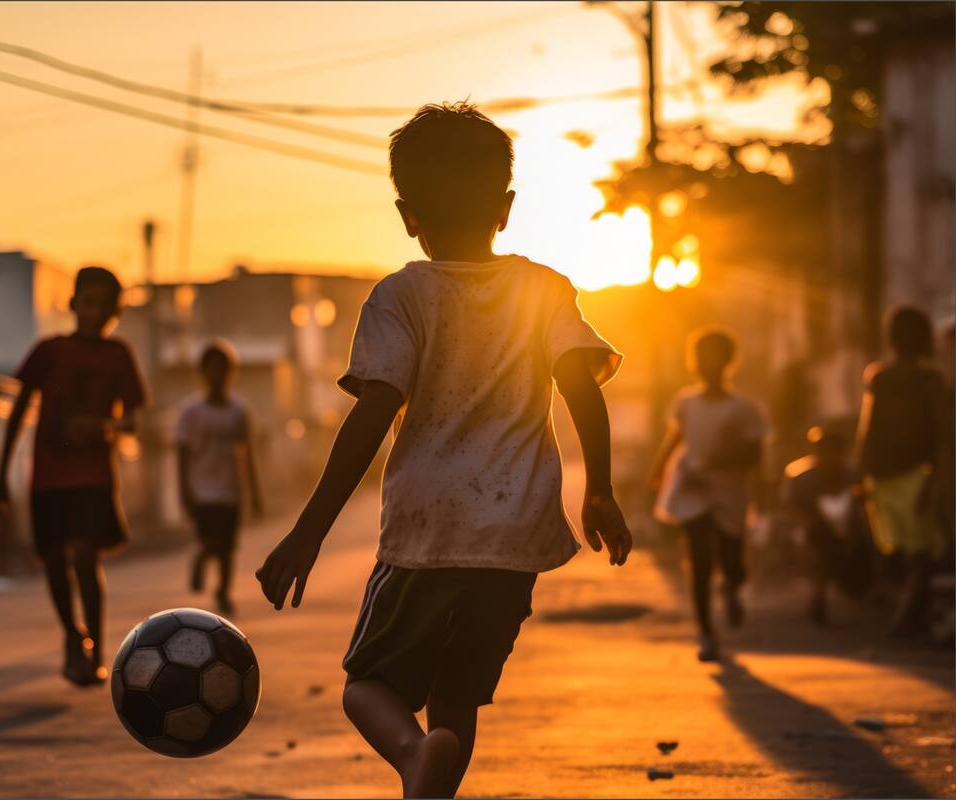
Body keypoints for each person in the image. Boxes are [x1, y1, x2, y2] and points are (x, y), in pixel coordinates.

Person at [255, 102, 632, 798]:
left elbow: (371, 418)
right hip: (512, 537)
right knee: (458, 702)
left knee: (367, 686)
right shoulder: (544, 290)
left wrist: (308, 532)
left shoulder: (400, 297)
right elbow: (583, 390)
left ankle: (407, 758)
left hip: (427, 535)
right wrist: (600, 491)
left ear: (408, 214)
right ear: (507, 207)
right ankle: (429, 780)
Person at [0, 266, 146, 687]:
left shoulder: (118, 356)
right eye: (88, 302)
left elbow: (132, 420)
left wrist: (102, 428)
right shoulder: (49, 351)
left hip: (93, 476)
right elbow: (19, 410)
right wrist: (1, 474)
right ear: (74, 304)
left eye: (104, 305)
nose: (95, 312)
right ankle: (71, 635)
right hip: (48, 478)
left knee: (84, 554)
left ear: (116, 310)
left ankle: (95, 644)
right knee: (55, 561)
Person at [651, 328, 767, 662]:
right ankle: (706, 633)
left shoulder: (744, 408)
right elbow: (675, 437)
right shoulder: (686, 402)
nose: (707, 364)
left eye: (714, 357)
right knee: (700, 562)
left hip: (730, 491)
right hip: (693, 490)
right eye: (701, 357)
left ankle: (731, 588)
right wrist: (658, 469)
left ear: (729, 362)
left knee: (733, 563)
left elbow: (755, 454)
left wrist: (725, 460)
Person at [855, 306, 947, 638]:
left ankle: (908, 617)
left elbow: (867, 432)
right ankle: (910, 617)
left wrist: (861, 473)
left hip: (896, 476)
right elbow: (943, 436)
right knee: (920, 553)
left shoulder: (886, 378)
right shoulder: (926, 381)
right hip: (908, 476)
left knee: (916, 553)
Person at [176, 340, 263, 617]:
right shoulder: (191, 412)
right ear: (202, 373)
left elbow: (248, 456)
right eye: (211, 370)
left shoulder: (238, 411)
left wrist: (255, 494)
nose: (217, 375)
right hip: (202, 489)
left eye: (223, 370)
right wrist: (184, 491)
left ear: (230, 373)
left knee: (227, 548)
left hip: (230, 490)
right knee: (210, 540)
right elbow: (182, 455)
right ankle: (202, 558)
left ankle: (223, 592)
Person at [781, 425, 873, 626]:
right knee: (821, 548)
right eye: (825, 449)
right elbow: (792, 508)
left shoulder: (852, 472)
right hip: (813, 528)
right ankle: (819, 594)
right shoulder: (800, 475)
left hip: (848, 529)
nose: (830, 455)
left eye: (834, 449)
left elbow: (863, 503)